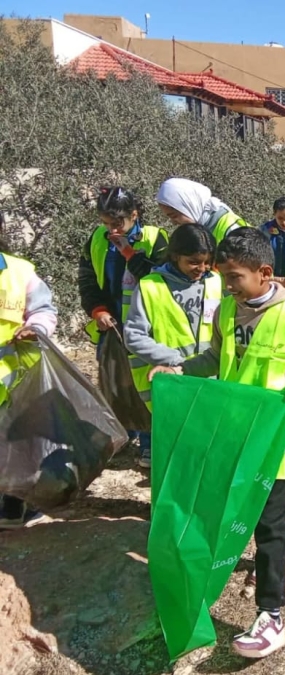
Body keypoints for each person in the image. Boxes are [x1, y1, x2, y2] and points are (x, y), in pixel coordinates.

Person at [149, 228, 285, 658]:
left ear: (264, 273)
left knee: (268, 524)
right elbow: (216, 357)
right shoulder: (226, 312)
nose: (227, 285)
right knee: (241, 512)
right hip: (238, 435)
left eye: (234, 277)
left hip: (280, 444)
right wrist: (180, 371)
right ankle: (284, 545)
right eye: (223, 277)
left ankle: (271, 616)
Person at [79, 187, 168, 466]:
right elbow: (87, 279)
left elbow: (161, 280)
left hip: (146, 327)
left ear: (134, 215)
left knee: (146, 384)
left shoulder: (156, 238)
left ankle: (150, 441)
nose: (110, 229)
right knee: (113, 382)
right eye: (106, 223)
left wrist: (128, 251)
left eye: (117, 223)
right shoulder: (96, 239)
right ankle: (119, 436)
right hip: (110, 325)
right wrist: (98, 310)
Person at [123, 224, 223, 437]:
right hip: (171, 380)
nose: (201, 268)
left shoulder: (216, 282)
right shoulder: (150, 287)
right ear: (175, 256)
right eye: (194, 262)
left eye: (207, 263)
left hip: (209, 378)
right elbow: (134, 336)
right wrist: (174, 360)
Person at [0, 248, 58, 529]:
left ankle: (13, 506)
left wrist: (35, 328)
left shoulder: (20, 272)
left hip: (15, 377)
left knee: (16, 445)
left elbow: (44, 310)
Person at [157, 178, 247, 245]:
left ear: (188, 207)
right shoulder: (199, 228)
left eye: (174, 216)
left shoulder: (232, 230)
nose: (173, 222)